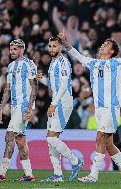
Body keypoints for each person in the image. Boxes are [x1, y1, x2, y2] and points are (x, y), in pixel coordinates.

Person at [58, 30, 121, 182]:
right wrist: (64, 42)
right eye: (103, 43)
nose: (102, 45)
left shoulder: (116, 63)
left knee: (100, 136)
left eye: (106, 44)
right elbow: (77, 55)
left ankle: (94, 175)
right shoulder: (93, 63)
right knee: (108, 143)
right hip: (99, 108)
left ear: (111, 51)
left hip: (111, 107)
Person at [0, 39, 37, 182]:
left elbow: (34, 88)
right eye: (10, 49)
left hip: (23, 106)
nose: (11, 52)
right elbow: (7, 89)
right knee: (20, 140)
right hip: (14, 107)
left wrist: (28, 108)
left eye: (14, 49)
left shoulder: (29, 64)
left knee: (9, 136)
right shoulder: (10, 66)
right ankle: (28, 174)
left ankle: (1, 173)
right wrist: (0, 108)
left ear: (22, 50)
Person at [36, 36, 83, 182]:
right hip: (57, 101)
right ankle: (57, 174)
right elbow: (53, 83)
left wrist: (54, 104)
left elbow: (63, 85)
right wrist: (42, 80)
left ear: (60, 47)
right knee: (51, 140)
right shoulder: (53, 62)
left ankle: (75, 161)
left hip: (63, 103)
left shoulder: (63, 62)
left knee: (51, 138)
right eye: (49, 46)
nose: (51, 49)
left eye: (54, 46)